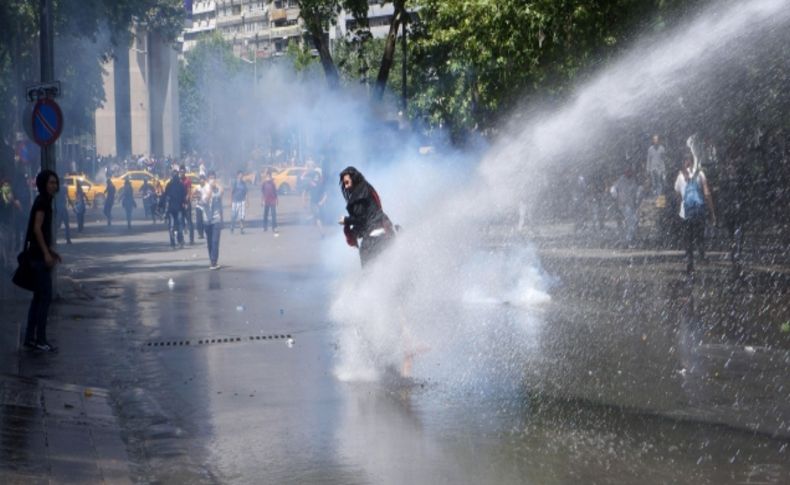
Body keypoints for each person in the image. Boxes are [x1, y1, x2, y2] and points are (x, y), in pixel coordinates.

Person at [23, 170, 62, 352]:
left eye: (55, 182)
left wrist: (51, 251)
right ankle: (40, 339)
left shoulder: (44, 201)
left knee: (38, 298)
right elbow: (37, 229)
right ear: (43, 184)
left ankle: (31, 338)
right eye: (50, 182)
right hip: (38, 258)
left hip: (38, 254)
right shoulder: (43, 202)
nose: (53, 186)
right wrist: (46, 254)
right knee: (44, 298)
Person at [338, 166, 396, 267]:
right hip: (382, 229)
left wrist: (346, 220)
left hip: (374, 235)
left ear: (354, 179)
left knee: (368, 267)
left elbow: (362, 219)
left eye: (347, 182)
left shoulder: (359, 195)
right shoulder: (366, 188)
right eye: (344, 184)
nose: (346, 186)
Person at [674, 153, 716, 274]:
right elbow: (707, 194)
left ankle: (690, 262)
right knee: (699, 235)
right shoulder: (700, 174)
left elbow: (677, 194)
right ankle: (702, 255)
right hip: (699, 211)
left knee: (688, 237)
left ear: (684, 162)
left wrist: (679, 207)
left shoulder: (680, 176)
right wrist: (712, 212)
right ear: (694, 161)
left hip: (686, 212)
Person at [609, 167, 643, 247]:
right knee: (632, 221)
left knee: (632, 222)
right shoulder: (621, 180)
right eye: (628, 171)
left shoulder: (633, 180)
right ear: (625, 172)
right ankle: (629, 240)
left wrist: (640, 191)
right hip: (624, 205)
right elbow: (613, 189)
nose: (630, 173)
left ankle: (629, 239)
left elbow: (636, 191)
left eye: (630, 171)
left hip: (631, 205)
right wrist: (616, 196)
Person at [200, 171, 224, 269]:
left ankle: (214, 262)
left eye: (213, 178)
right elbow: (204, 202)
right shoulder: (204, 189)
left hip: (216, 219)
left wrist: (217, 186)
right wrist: (210, 189)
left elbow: (221, 195)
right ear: (207, 179)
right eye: (210, 178)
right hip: (207, 219)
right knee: (210, 242)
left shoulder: (217, 189)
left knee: (215, 241)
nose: (212, 180)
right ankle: (212, 260)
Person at [1, 178, 22, 268]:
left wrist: (12, 200)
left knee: (7, 241)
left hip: (8, 221)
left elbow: (18, 205)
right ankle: (5, 262)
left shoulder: (11, 192)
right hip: (4, 221)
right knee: (5, 241)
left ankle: (6, 262)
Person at [162, 171, 186, 248]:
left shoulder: (171, 185)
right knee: (178, 226)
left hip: (175, 209)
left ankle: (175, 242)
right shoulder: (176, 185)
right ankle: (177, 241)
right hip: (175, 209)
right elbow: (166, 196)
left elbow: (165, 197)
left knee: (175, 226)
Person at [12, 160, 31, 251]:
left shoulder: (21, 178)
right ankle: (20, 245)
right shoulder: (18, 178)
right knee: (20, 228)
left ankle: (21, 245)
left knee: (21, 228)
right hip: (20, 206)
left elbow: (26, 193)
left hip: (22, 207)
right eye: (23, 166)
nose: (24, 168)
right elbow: (16, 192)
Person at [307, 170, 327, 237]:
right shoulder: (310, 184)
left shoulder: (320, 185)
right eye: (315, 177)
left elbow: (325, 195)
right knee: (318, 218)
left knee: (316, 218)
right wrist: (303, 201)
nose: (316, 178)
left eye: (317, 177)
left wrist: (322, 202)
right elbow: (304, 192)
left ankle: (310, 220)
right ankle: (322, 234)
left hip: (318, 204)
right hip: (313, 204)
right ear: (313, 177)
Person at [179, 166, 195, 244]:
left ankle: (191, 239)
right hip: (180, 204)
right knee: (181, 221)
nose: (181, 173)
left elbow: (189, 192)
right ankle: (182, 240)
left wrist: (186, 202)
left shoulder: (187, 181)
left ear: (185, 172)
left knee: (189, 221)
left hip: (186, 203)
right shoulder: (178, 181)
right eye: (180, 171)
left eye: (183, 171)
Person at [54, 180, 72, 244]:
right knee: (67, 224)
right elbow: (68, 197)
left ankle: (54, 240)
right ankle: (68, 239)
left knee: (57, 225)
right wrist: (72, 205)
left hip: (58, 208)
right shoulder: (65, 188)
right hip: (63, 208)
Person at [261, 169, 278, 234]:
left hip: (272, 200)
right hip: (266, 201)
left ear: (270, 176)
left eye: (269, 176)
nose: (268, 177)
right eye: (267, 176)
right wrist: (262, 201)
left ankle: (274, 227)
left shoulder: (273, 183)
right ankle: (265, 227)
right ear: (266, 176)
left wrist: (277, 200)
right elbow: (262, 192)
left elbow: (275, 192)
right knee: (265, 214)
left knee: (273, 214)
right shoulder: (264, 183)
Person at [193, 175, 206, 239]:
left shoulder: (207, 187)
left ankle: (205, 232)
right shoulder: (197, 187)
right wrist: (196, 195)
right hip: (198, 206)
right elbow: (193, 194)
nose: (201, 181)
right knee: (199, 221)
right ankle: (200, 233)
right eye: (200, 179)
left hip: (205, 206)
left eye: (203, 179)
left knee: (205, 220)